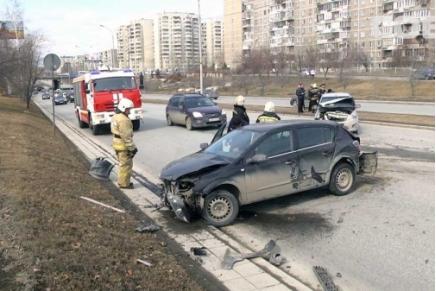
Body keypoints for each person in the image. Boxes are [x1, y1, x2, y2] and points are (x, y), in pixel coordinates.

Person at [111, 98, 138, 189]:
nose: (129, 111)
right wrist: (132, 148)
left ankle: (122, 182)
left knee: (122, 164)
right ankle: (124, 184)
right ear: (123, 108)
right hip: (123, 146)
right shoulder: (124, 120)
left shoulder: (116, 116)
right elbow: (126, 136)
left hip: (117, 144)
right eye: (128, 109)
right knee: (126, 166)